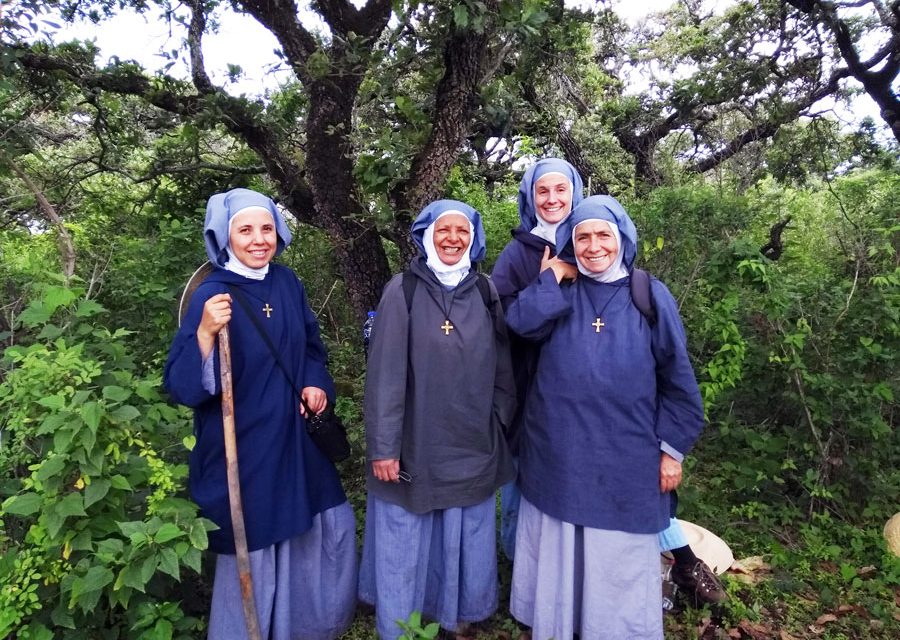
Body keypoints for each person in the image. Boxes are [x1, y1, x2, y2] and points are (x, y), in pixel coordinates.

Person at [505, 195, 706, 639]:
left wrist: (671, 451)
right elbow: (519, 325)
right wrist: (551, 277)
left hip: (626, 453)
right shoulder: (562, 288)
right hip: (557, 449)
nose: (593, 246)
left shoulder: (648, 293)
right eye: (582, 236)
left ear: (621, 239)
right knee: (562, 544)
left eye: (602, 235)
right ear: (569, 243)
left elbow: (678, 377)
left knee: (614, 552)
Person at [164, 188, 357, 640]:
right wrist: (207, 334)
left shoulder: (287, 283)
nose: (258, 239)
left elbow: (312, 346)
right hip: (246, 446)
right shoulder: (212, 294)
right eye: (245, 230)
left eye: (266, 228)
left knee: (329, 524)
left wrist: (315, 382)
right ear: (225, 236)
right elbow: (182, 384)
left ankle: (308, 627)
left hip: (297, 439)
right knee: (257, 539)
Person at [358, 199, 516, 639]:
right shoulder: (402, 290)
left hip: (472, 437)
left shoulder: (486, 291)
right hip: (416, 438)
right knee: (408, 525)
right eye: (443, 230)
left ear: (474, 238)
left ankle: (457, 613)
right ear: (426, 236)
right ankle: (404, 622)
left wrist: (500, 417)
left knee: (464, 522)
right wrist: (384, 446)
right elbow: (385, 373)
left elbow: (504, 363)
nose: (452, 239)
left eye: (462, 231)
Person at [491, 157, 584, 561]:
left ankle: (566, 568)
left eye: (560, 189)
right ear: (530, 196)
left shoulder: (592, 240)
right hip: (529, 384)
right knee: (520, 480)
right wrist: (551, 277)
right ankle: (517, 566)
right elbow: (509, 323)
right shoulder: (516, 253)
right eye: (542, 190)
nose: (552, 199)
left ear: (574, 193)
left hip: (581, 388)